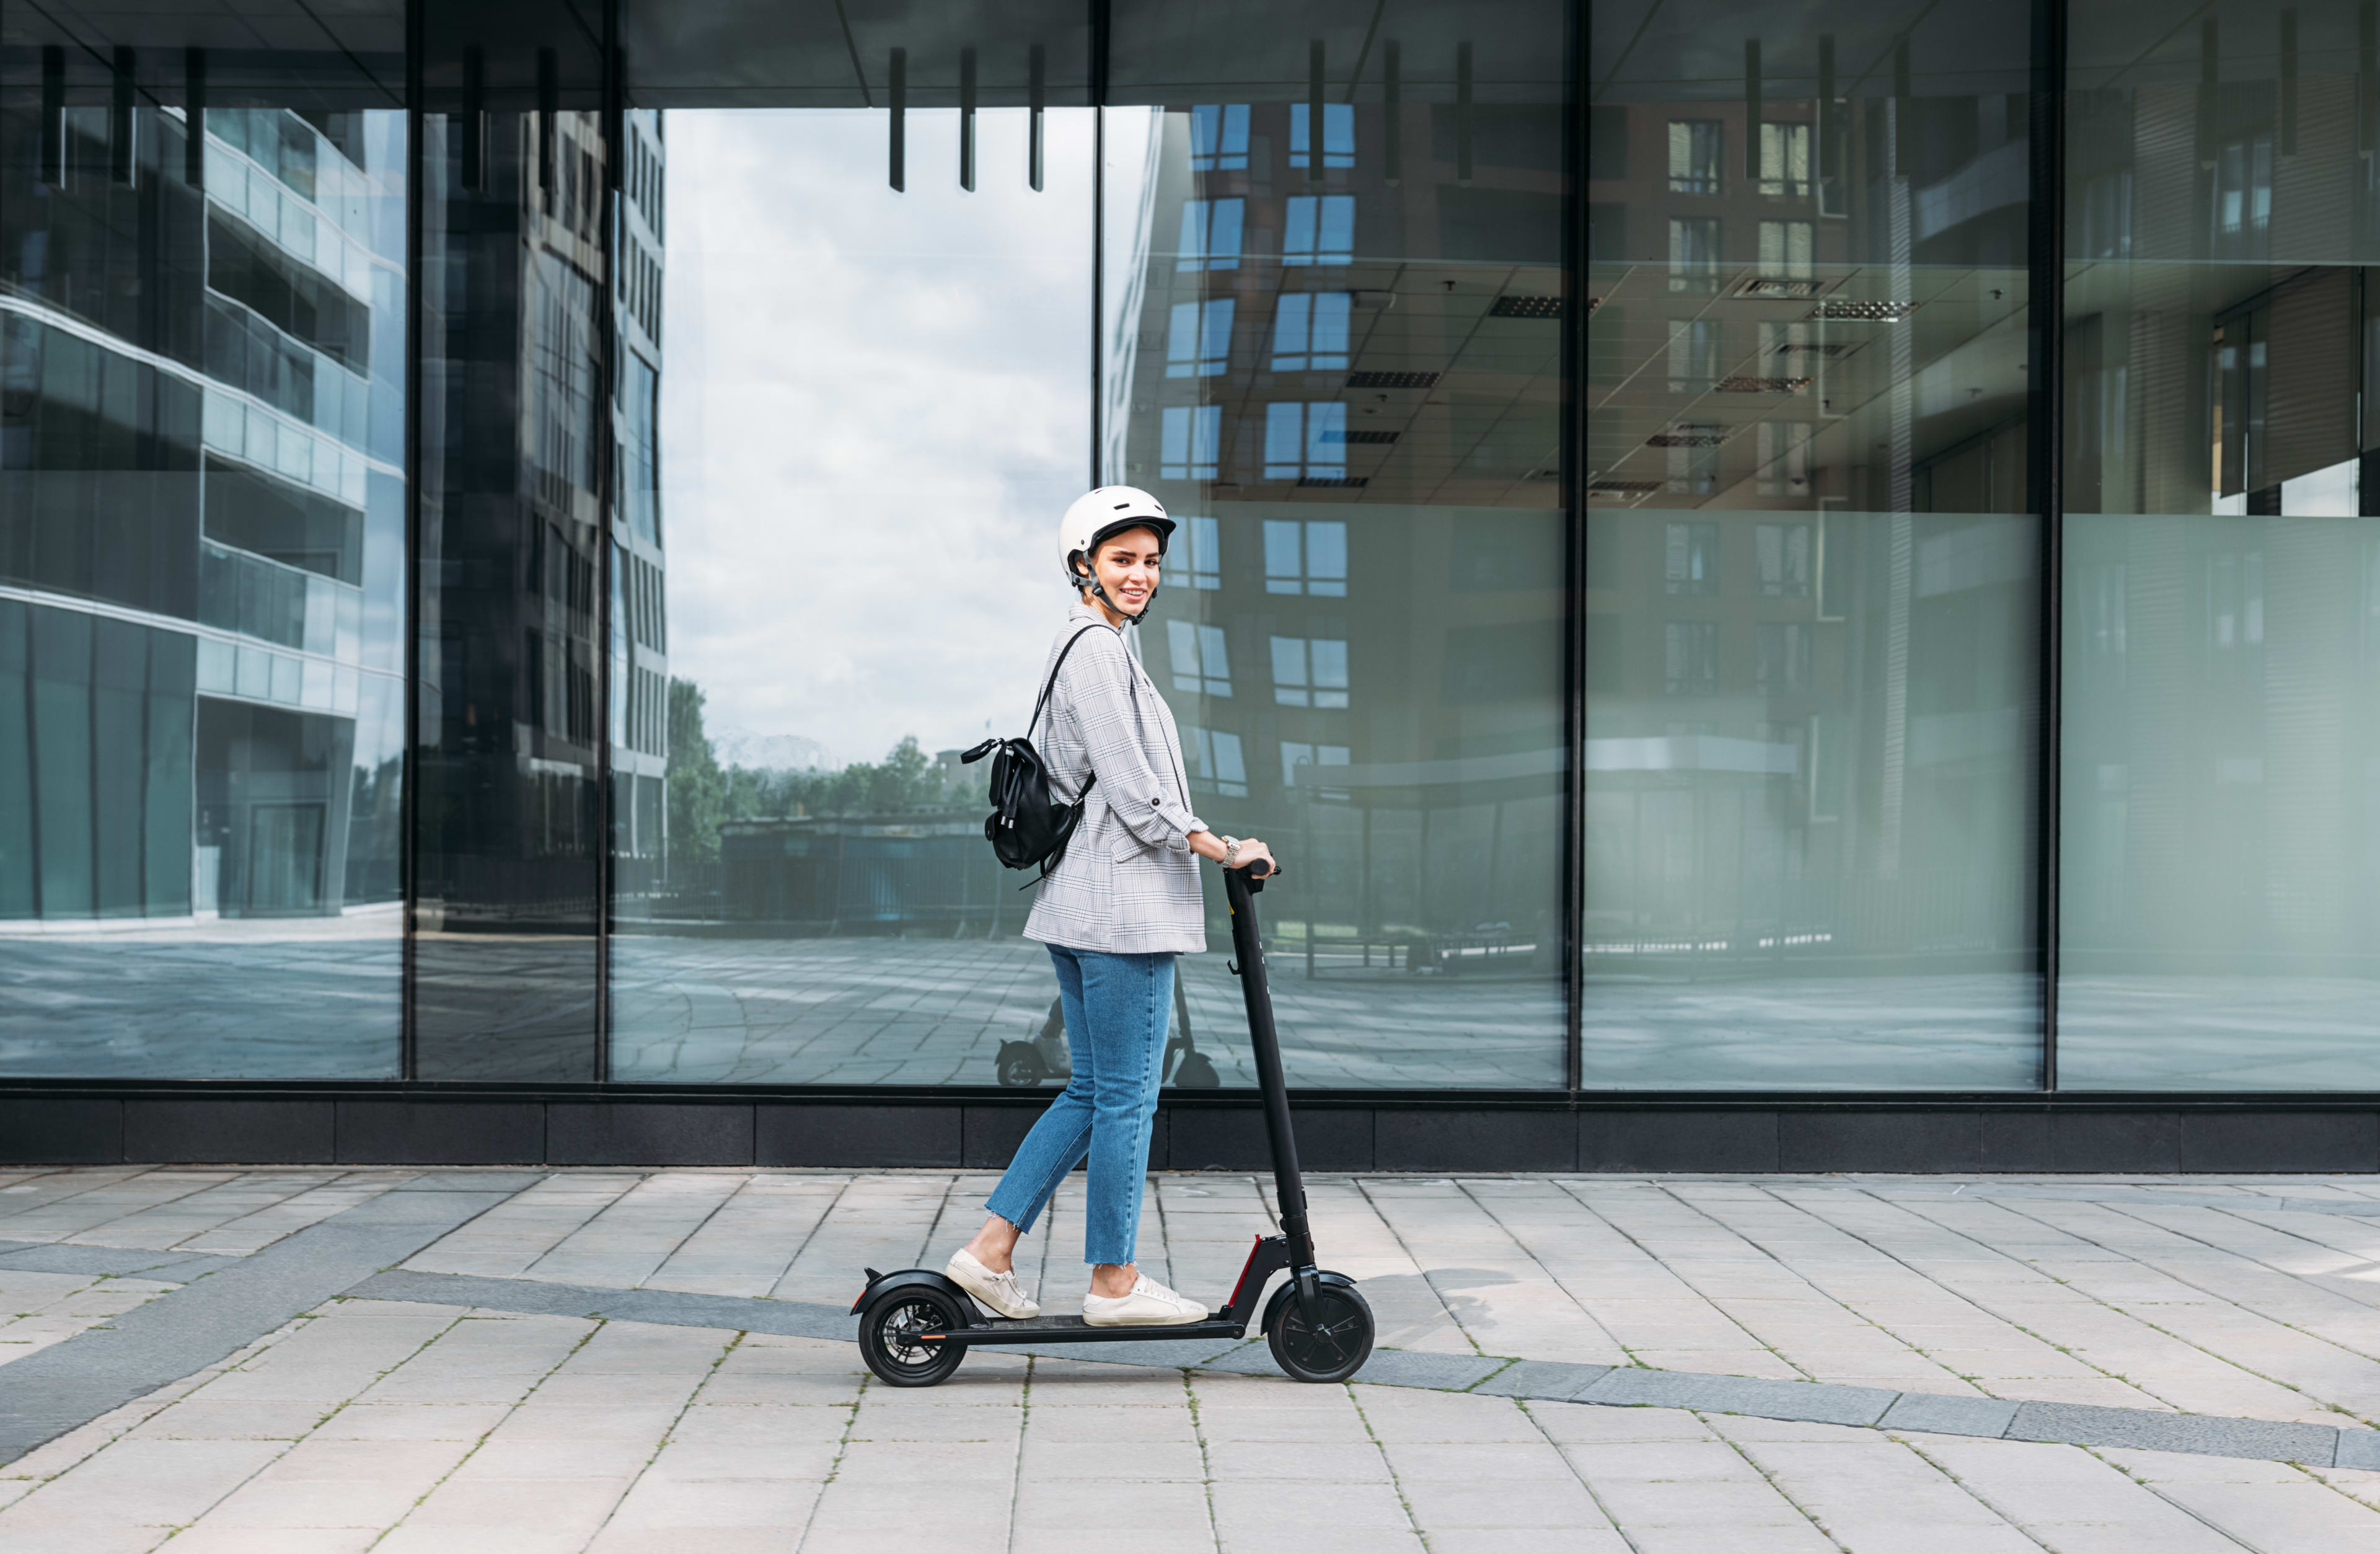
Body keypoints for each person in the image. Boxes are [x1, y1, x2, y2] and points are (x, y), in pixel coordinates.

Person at [943, 486, 1278, 1326]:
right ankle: (1114, 1283)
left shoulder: (1105, 646)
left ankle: (988, 1253)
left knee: (1093, 1089)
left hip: (1088, 904)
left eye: (1151, 561)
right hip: (1118, 908)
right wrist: (1219, 845)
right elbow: (1135, 794)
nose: (1141, 574)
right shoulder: (1095, 650)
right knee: (1128, 1094)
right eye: (1123, 559)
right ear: (1084, 564)